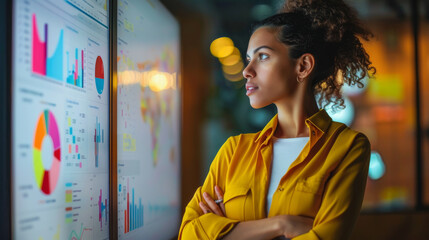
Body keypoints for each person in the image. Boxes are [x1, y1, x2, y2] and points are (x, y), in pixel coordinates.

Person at [179, 0, 375, 239]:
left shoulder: (347, 148)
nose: (247, 70)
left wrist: (225, 232)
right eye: (248, 58)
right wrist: (281, 225)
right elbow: (188, 232)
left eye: (262, 56)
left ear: (303, 66)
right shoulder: (233, 152)